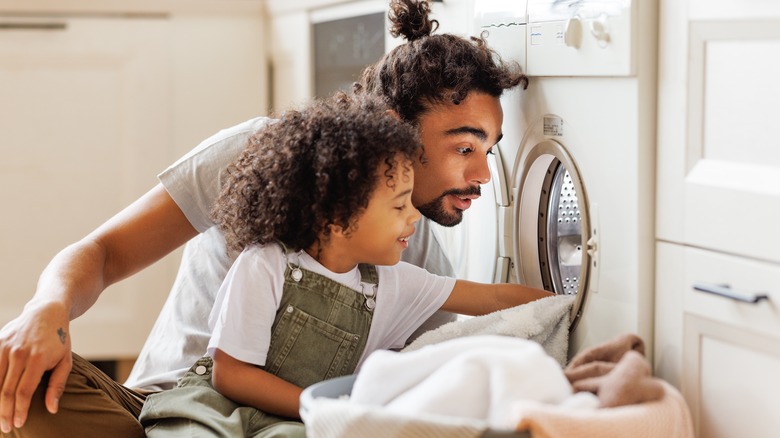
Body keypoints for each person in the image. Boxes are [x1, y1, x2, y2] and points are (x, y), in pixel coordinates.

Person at [0, 0, 529, 436]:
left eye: (491, 150)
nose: (483, 174)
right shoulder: (262, 157)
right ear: (398, 128)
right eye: (464, 147)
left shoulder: (413, 255)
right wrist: (47, 308)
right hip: (164, 407)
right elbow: (105, 253)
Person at [137, 92, 550, 437]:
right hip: (216, 406)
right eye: (398, 205)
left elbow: (494, 296)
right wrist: (320, 406)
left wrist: (569, 304)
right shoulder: (265, 265)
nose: (413, 218)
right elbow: (231, 375)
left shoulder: (393, 281)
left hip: (290, 422)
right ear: (337, 216)